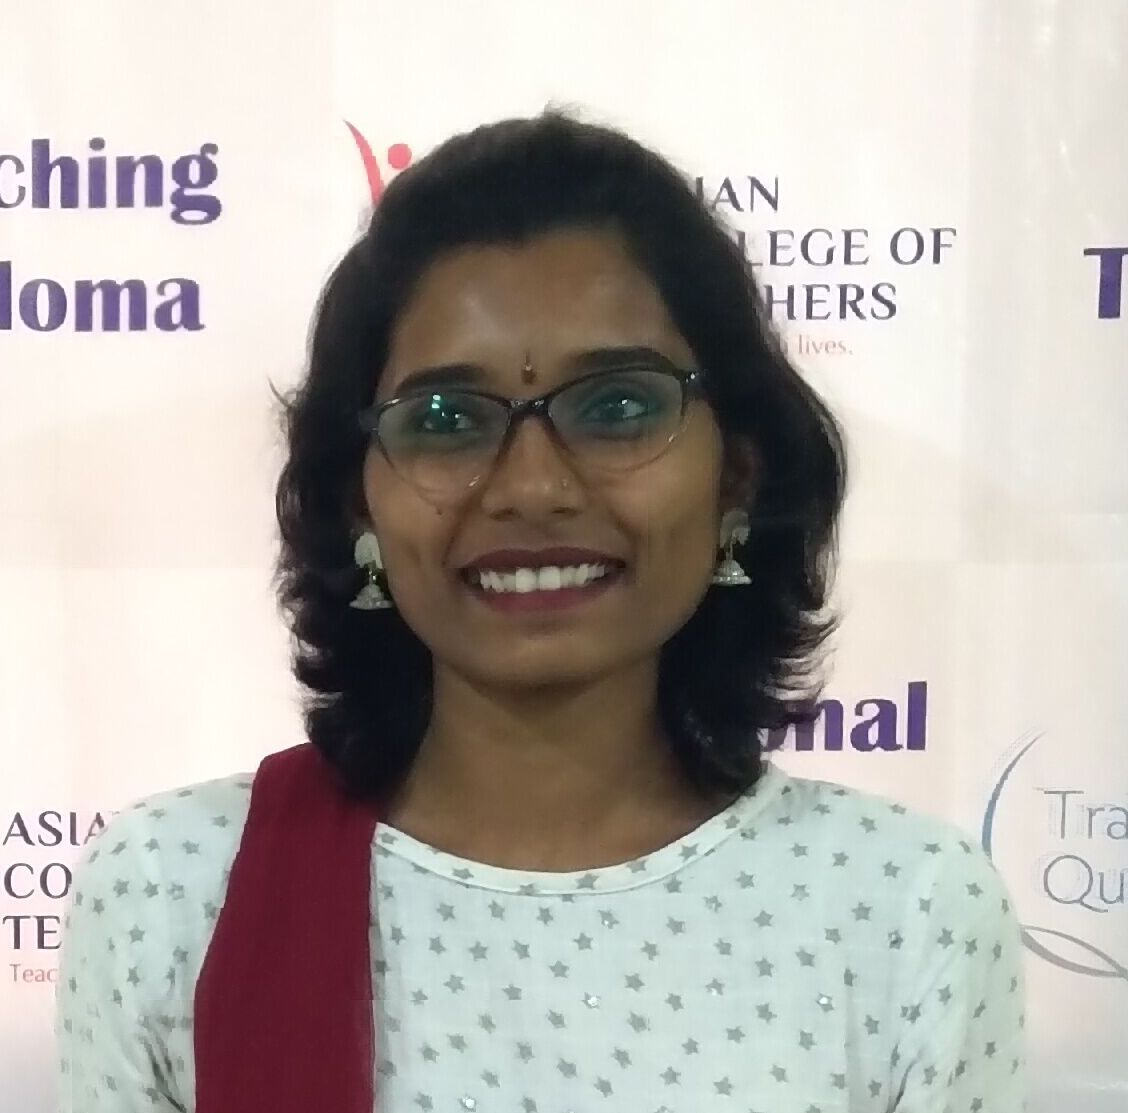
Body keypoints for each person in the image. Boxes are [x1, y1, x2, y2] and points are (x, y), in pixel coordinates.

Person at [55, 108, 1026, 1112]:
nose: (532, 487)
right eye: (445, 419)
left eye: (617, 407)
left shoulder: (904, 914)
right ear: (359, 501)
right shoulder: (179, 896)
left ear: (737, 474)